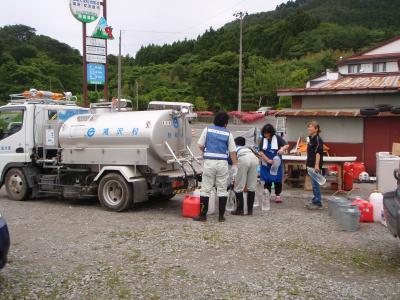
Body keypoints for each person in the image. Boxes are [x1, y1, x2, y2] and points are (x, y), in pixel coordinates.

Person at [194, 112, 238, 222]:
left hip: (209, 163)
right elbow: (232, 152)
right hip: (222, 164)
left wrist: (205, 151)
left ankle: (203, 216)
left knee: (206, 189)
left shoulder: (207, 129)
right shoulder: (228, 134)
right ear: (226, 123)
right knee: (222, 189)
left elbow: (200, 145)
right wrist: (235, 165)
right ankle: (221, 216)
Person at [258, 124, 289, 203]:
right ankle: (267, 195)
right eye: (264, 133)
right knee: (267, 179)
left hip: (276, 163)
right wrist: (267, 160)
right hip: (266, 163)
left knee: (277, 180)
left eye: (267, 133)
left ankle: (277, 195)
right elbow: (260, 152)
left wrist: (282, 149)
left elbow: (286, 145)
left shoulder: (277, 138)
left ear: (271, 133)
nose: (266, 135)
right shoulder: (263, 139)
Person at [231, 137, 259, 216]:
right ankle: (250, 211)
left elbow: (232, 162)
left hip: (243, 159)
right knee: (251, 187)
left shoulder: (234, 148)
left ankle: (240, 210)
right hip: (254, 159)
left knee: (238, 187)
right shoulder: (248, 148)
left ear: (235, 143)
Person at [305, 121, 324, 210]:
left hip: (314, 165)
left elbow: (318, 153)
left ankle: (318, 202)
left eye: (311, 127)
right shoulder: (311, 138)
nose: (309, 128)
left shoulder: (317, 139)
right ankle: (315, 200)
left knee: (315, 184)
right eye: (308, 126)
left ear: (316, 129)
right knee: (313, 184)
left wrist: (316, 165)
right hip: (310, 163)